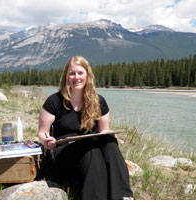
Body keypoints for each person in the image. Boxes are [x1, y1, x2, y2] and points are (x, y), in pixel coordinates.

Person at [38, 56, 133, 200]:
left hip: (90, 150)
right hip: (64, 152)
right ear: (66, 77)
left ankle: (123, 196)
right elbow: (42, 132)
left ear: (87, 75)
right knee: (91, 150)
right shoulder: (54, 101)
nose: (76, 77)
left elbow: (103, 130)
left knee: (110, 143)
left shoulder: (99, 101)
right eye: (72, 73)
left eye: (80, 73)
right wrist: (47, 141)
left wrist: (110, 135)